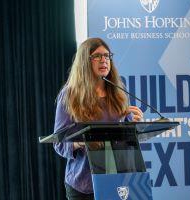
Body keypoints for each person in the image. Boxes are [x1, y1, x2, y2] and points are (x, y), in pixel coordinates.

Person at [53, 37, 144, 200]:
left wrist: (136, 124)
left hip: (118, 178)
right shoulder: (70, 95)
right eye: (97, 56)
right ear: (84, 61)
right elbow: (58, 142)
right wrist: (80, 142)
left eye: (107, 56)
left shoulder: (118, 90)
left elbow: (127, 133)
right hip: (84, 183)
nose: (104, 60)